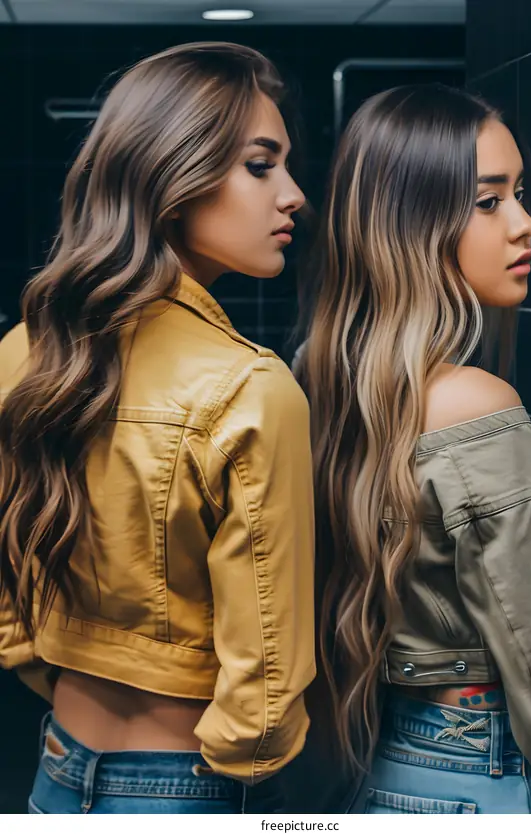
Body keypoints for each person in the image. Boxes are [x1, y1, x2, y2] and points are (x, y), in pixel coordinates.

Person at [0, 41, 315, 814]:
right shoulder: (251, 388)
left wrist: (52, 668)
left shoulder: (23, 352)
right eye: (260, 165)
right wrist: (239, 767)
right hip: (184, 783)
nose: (295, 195)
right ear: (173, 174)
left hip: (56, 765)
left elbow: (8, 591)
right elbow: (266, 680)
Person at [294, 83, 531, 814]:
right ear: (413, 223)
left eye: (519, 193)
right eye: (489, 201)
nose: (525, 223)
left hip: (397, 765)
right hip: (483, 774)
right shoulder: (473, 403)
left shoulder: (325, 379)